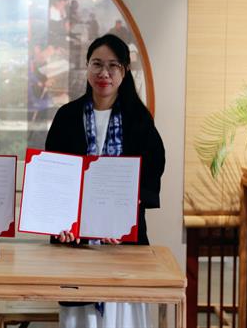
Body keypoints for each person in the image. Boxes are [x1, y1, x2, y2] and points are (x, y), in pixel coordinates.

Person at [45, 34, 166, 328]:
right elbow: (54, 177)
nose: (104, 73)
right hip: (75, 242)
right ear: (87, 67)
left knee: (123, 315)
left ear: (124, 71)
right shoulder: (67, 116)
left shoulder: (139, 119)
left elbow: (153, 169)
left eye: (113, 66)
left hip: (122, 242)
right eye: (97, 64)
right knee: (81, 317)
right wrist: (61, 221)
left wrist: (121, 216)